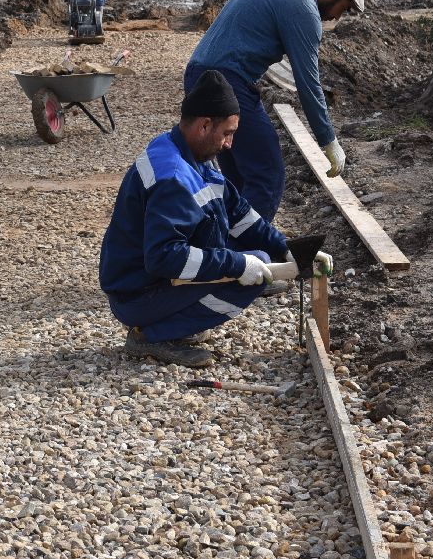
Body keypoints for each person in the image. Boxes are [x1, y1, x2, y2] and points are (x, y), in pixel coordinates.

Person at [99, 70, 291, 368]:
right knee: (250, 275)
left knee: (260, 257)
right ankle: (153, 335)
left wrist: (288, 248)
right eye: (227, 133)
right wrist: (237, 264)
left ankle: (173, 322)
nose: (229, 144)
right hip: (137, 294)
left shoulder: (186, 153)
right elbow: (164, 257)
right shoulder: (173, 178)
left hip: (145, 282)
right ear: (204, 125)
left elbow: (240, 214)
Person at [184, 0, 365, 221]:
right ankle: (248, 244)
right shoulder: (303, 8)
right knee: (267, 175)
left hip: (197, 74)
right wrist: (329, 141)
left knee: (238, 178)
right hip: (226, 83)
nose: (337, 18)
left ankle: (225, 240)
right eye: (343, 8)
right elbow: (308, 83)